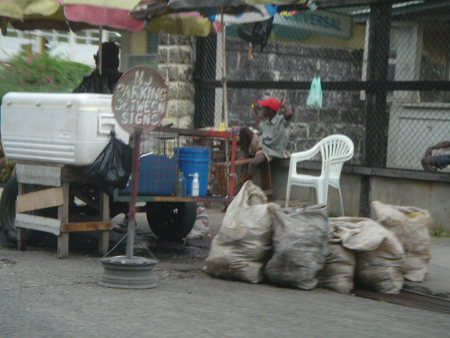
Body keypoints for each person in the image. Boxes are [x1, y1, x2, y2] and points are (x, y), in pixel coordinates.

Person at [238, 96, 294, 186]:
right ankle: (246, 154)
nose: (262, 111)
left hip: (270, 150)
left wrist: (283, 105)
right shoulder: (267, 121)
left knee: (253, 163)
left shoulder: (281, 121)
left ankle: (240, 189)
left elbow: (290, 114)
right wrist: (255, 110)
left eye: (264, 108)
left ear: (270, 111)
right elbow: (258, 125)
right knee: (243, 129)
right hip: (261, 144)